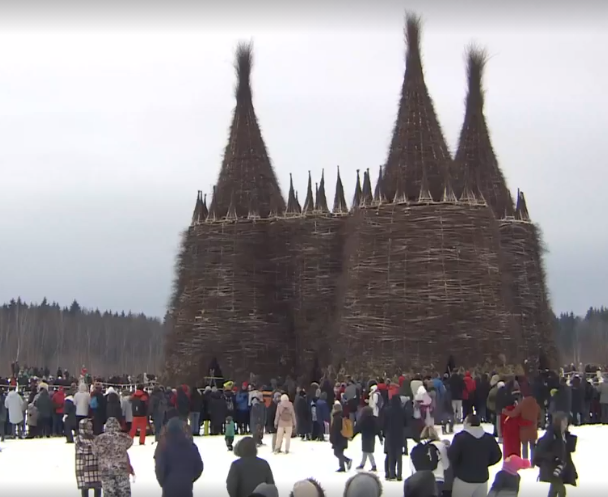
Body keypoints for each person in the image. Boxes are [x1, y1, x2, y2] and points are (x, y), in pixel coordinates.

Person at [448, 414, 502, 497]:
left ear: (468, 424)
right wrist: (484, 463)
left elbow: (452, 456)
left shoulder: (460, 438)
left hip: (463, 479)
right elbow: (497, 455)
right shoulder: (488, 438)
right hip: (482, 479)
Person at [154, 417, 204, 497]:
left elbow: (160, 467)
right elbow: (199, 467)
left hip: (169, 488)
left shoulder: (163, 446)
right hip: (186, 487)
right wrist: (189, 478)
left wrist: (164, 482)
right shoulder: (191, 445)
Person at [533, 412, 578, 497]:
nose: (566, 424)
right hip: (552, 469)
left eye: (566, 422)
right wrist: (553, 457)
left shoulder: (564, 436)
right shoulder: (551, 435)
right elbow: (540, 451)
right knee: (560, 490)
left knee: (555, 490)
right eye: (564, 422)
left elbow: (568, 453)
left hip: (561, 469)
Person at [92, 417, 134, 497]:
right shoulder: (124, 437)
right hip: (121, 469)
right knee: (124, 492)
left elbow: (95, 452)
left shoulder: (98, 439)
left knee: (109, 493)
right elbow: (130, 443)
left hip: (105, 470)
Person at [410, 426, 450, 494]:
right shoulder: (440, 445)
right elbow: (446, 465)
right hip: (438, 480)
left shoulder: (417, 447)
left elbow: (412, 467)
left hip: (421, 480)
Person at [75, 419, 102, 497]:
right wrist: (94, 448)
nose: (90, 428)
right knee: (85, 489)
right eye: (88, 426)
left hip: (96, 467)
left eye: (91, 426)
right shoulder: (79, 438)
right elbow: (82, 449)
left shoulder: (95, 437)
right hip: (84, 467)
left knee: (97, 488)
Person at [352, 405, 381, 471]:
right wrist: (380, 438)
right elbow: (378, 429)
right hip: (371, 437)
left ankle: (373, 465)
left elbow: (357, 428)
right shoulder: (374, 419)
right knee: (366, 451)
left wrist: (352, 436)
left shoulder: (363, 419)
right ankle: (362, 464)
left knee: (368, 452)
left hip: (365, 437)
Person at [384, 394, 406, 481]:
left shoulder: (387, 410)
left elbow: (384, 423)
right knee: (399, 456)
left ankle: (392, 473)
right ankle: (399, 474)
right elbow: (405, 423)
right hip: (399, 434)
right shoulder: (402, 411)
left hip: (390, 434)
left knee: (390, 455)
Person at [330, 401, 352, 472]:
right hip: (343, 438)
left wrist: (333, 439)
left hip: (338, 439)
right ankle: (342, 467)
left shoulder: (337, 418)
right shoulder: (342, 416)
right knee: (340, 452)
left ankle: (347, 460)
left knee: (337, 453)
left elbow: (335, 430)